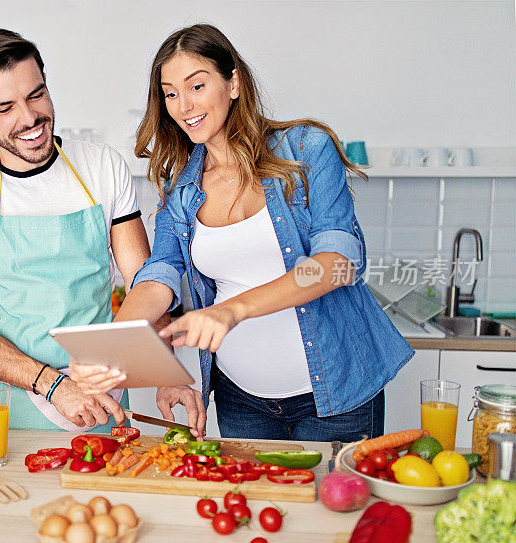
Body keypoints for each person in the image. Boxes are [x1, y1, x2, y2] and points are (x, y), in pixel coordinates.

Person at [71, 24, 414, 443]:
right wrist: (110, 347)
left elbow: (336, 265)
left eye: (197, 85)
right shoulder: (184, 188)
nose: (183, 105)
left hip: (335, 395)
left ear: (233, 82)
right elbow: (158, 273)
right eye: (170, 93)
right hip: (241, 400)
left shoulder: (306, 150)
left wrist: (232, 310)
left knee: (330, 506)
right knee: (253, 509)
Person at [0, 29, 203, 433]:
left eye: (35, 95)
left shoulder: (101, 167)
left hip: (101, 400)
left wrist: (166, 371)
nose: (28, 118)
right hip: (10, 404)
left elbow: (145, 282)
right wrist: (53, 384)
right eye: (4, 108)